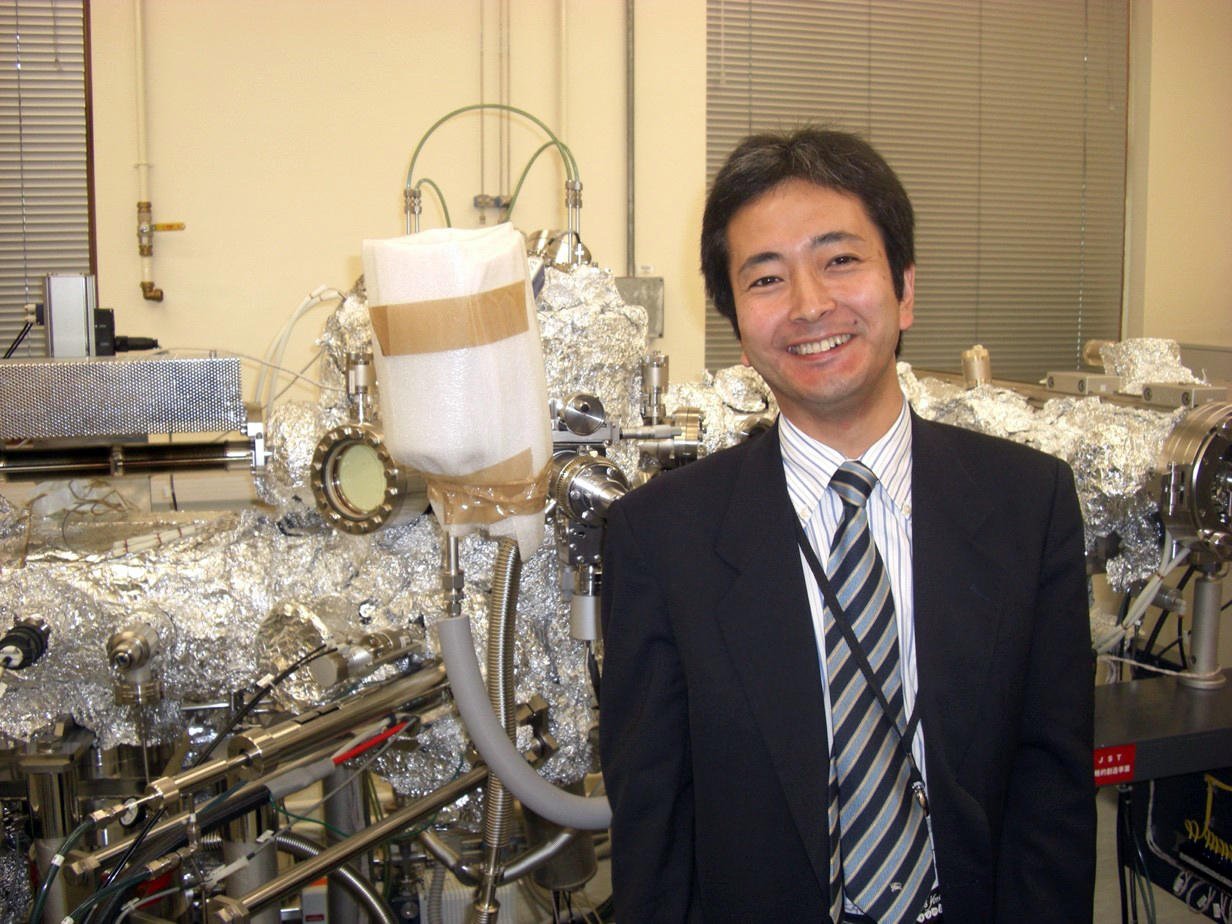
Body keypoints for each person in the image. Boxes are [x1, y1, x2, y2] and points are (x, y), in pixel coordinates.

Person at [599, 128, 1095, 922]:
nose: (809, 305)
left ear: (905, 289)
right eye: (767, 278)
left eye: (839, 260)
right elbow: (654, 834)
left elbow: (1052, 792)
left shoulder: (1027, 505)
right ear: (738, 326)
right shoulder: (660, 538)